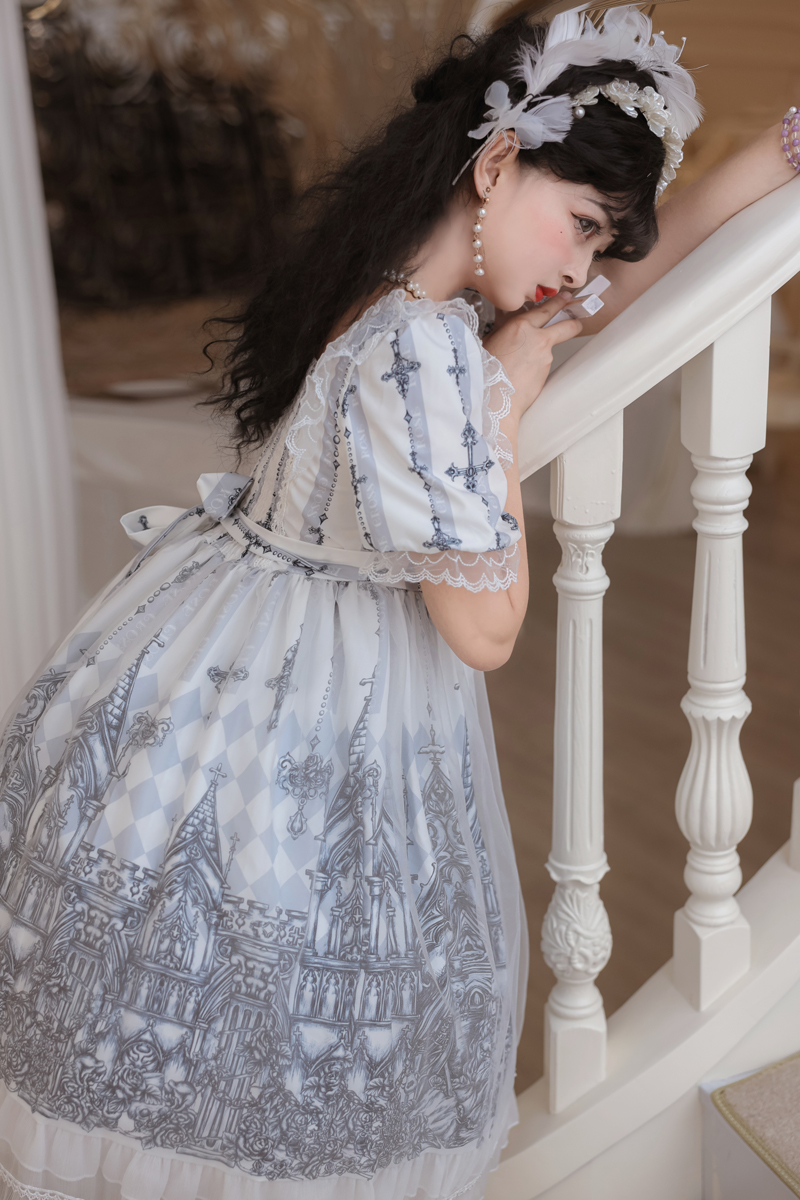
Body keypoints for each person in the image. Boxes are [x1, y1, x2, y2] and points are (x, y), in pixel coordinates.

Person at [0, 6, 796, 1200]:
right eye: (580, 224)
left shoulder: (395, 294)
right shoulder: (430, 355)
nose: (580, 269)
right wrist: (501, 409)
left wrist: (773, 157)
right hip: (297, 698)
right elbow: (484, 628)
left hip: (216, 642)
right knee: (291, 992)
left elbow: (619, 283)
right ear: (495, 161)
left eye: (597, 238)